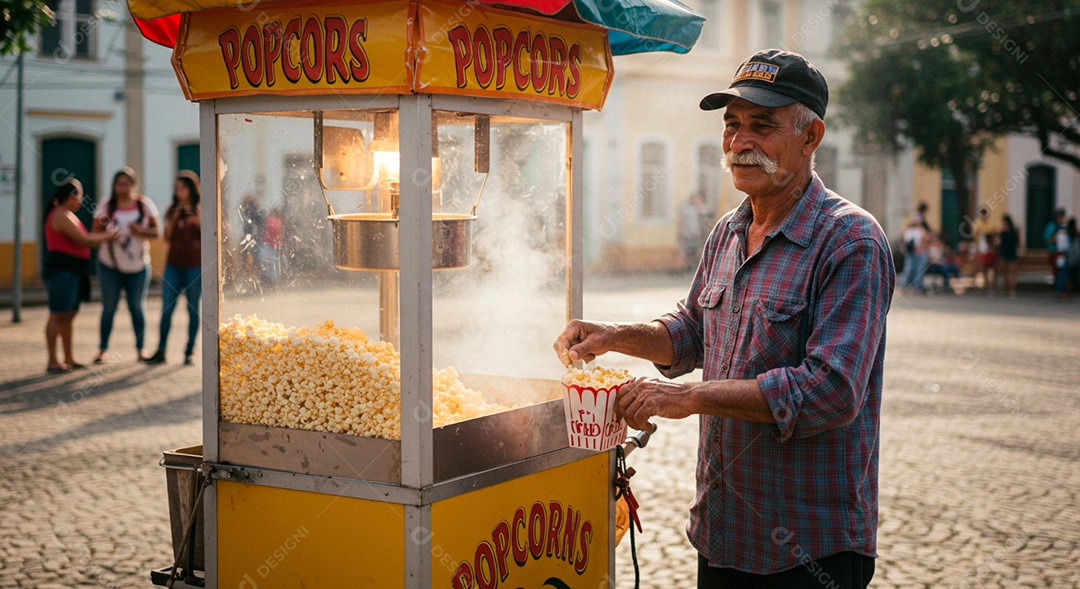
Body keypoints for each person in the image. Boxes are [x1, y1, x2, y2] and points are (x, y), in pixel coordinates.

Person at [554, 49, 891, 587]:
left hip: (809, 546)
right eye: (732, 126)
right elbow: (690, 333)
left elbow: (830, 391)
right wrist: (615, 336)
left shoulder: (850, 240)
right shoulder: (727, 232)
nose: (739, 143)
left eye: (762, 126)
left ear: (811, 137)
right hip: (723, 530)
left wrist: (686, 398)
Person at [42, 179, 118, 373]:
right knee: (57, 314)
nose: (81, 200)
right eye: (79, 195)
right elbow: (83, 240)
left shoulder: (68, 215)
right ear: (71, 196)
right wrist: (108, 237)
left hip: (74, 271)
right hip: (62, 271)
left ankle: (68, 357)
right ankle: (52, 360)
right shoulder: (61, 216)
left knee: (68, 315)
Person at [92, 167, 160, 363]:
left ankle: (140, 349)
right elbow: (94, 233)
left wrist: (140, 231)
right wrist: (107, 236)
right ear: (114, 186)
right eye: (119, 183)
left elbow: (157, 233)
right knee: (109, 308)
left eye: (126, 183)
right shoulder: (106, 207)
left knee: (137, 307)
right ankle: (102, 349)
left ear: (133, 185)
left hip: (138, 266)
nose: (122, 187)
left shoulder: (144, 206)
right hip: (109, 266)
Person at [145, 171, 201, 366]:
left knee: (193, 309)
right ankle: (161, 350)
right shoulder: (172, 210)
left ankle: (189, 351)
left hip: (196, 265)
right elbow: (166, 236)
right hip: (174, 265)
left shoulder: (201, 209)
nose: (179, 192)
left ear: (191, 189)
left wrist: (198, 221)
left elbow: (215, 234)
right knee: (167, 308)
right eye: (177, 188)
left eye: (183, 188)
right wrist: (174, 219)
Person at [679, 192, 711, 272]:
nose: (696, 201)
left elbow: (708, 221)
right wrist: (680, 233)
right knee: (688, 252)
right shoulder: (687, 209)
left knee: (698, 251)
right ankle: (689, 268)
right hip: (688, 234)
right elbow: (681, 221)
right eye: (695, 199)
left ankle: (698, 267)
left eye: (698, 199)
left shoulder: (703, 209)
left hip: (700, 235)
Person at [972, 207, 999, 295]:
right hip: (982, 250)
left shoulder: (991, 225)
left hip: (990, 250)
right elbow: (975, 238)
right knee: (982, 269)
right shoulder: (977, 224)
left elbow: (995, 237)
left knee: (992, 269)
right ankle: (983, 286)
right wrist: (976, 249)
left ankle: (991, 287)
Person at [900, 217, 930, 294]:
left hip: (916, 252)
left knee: (915, 270)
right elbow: (926, 240)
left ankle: (914, 287)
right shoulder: (915, 231)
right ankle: (908, 287)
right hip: (915, 252)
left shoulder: (911, 231)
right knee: (912, 269)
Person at [997, 214, 1020, 298]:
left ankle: (1008, 290)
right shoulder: (1014, 230)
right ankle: (1012, 290)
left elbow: (999, 242)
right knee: (1011, 273)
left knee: (1006, 273)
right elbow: (1018, 242)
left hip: (1004, 252)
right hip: (1012, 251)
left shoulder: (1003, 231)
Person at [1044, 208, 1067, 288]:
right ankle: (1058, 287)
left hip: (1062, 251)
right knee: (1056, 270)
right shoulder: (1052, 225)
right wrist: (1058, 237)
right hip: (1054, 251)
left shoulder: (1063, 226)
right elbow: (1047, 238)